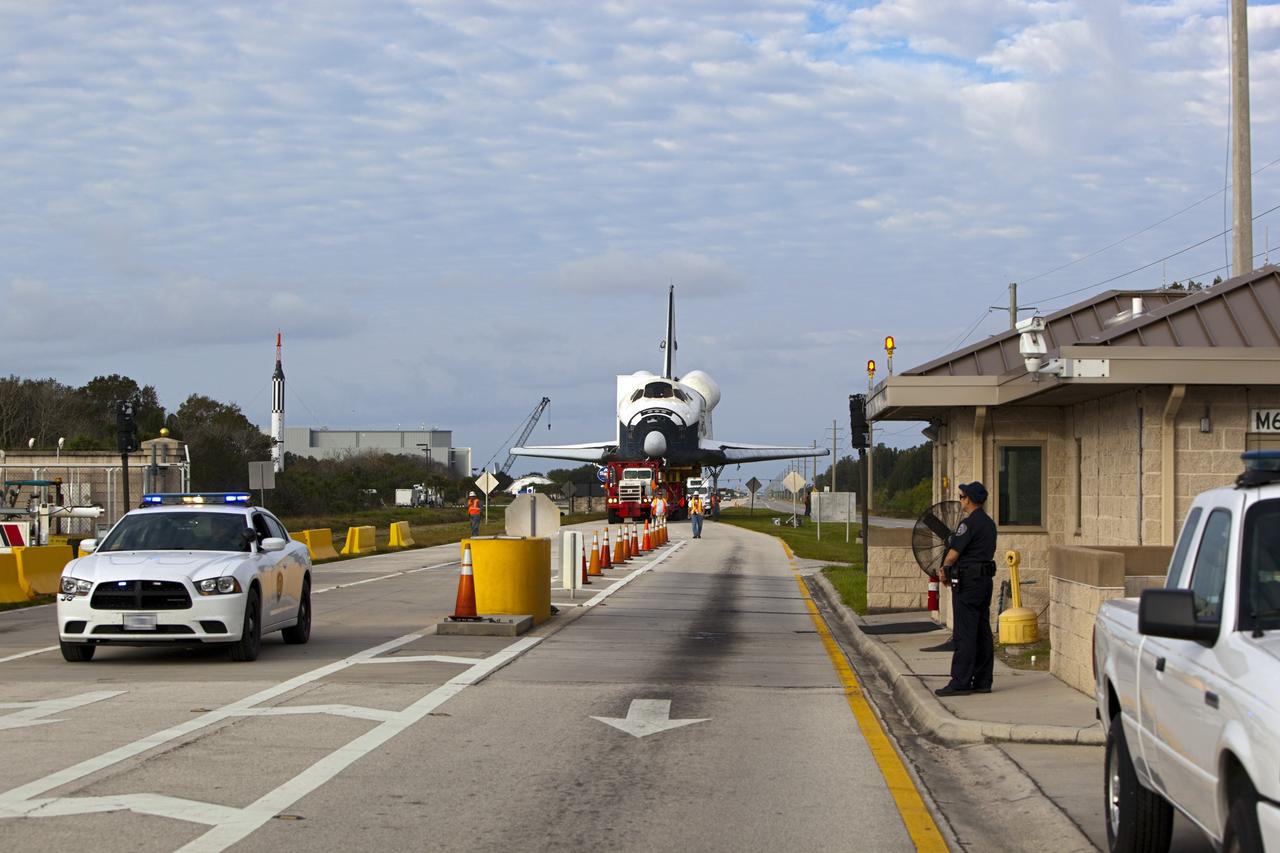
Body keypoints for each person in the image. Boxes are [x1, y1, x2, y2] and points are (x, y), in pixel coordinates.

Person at [935, 481, 998, 697]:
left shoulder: (968, 524)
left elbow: (954, 553)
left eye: (962, 496)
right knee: (982, 631)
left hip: (968, 583)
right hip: (984, 583)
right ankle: (982, 680)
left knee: (965, 633)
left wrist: (944, 568)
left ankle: (960, 681)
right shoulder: (989, 523)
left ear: (968, 499)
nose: (961, 499)